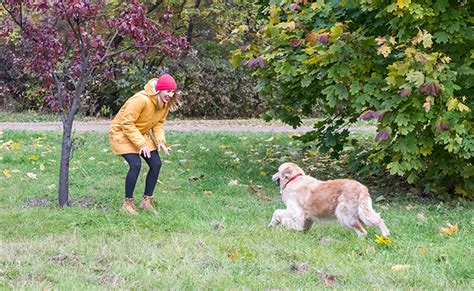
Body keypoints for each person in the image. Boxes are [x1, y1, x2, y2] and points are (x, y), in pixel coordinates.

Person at [109, 74, 180, 215]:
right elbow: (126, 123)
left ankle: (146, 201)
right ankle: (127, 203)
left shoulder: (164, 104)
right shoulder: (141, 100)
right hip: (122, 132)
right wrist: (141, 144)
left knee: (156, 164)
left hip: (140, 133)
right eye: (168, 91)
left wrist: (160, 141)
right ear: (159, 89)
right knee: (135, 165)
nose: (170, 95)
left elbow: (159, 123)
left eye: (172, 92)